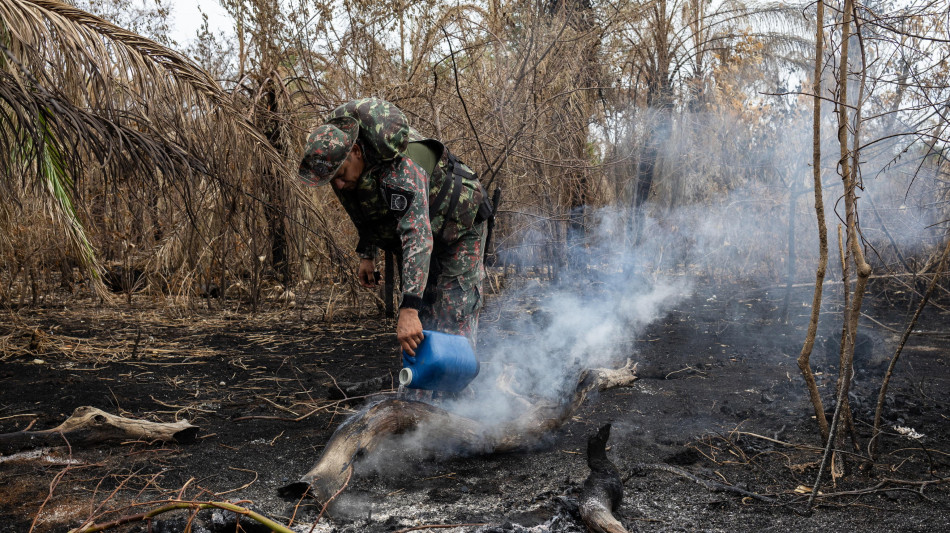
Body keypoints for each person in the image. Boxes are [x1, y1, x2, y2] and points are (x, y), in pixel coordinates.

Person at [299, 98, 491, 358]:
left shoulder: (400, 169)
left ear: (356, 151)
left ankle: (459, 393)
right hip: (424, 229)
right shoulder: (345, 170)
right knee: (422, 321)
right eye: (334, 180)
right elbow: (366, 209)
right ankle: (420, 393)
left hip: (459, 226)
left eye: (342, 174)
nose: (340, 185)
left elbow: (417, 237)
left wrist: (409, 308)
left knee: (453, 314)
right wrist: (367, 254)